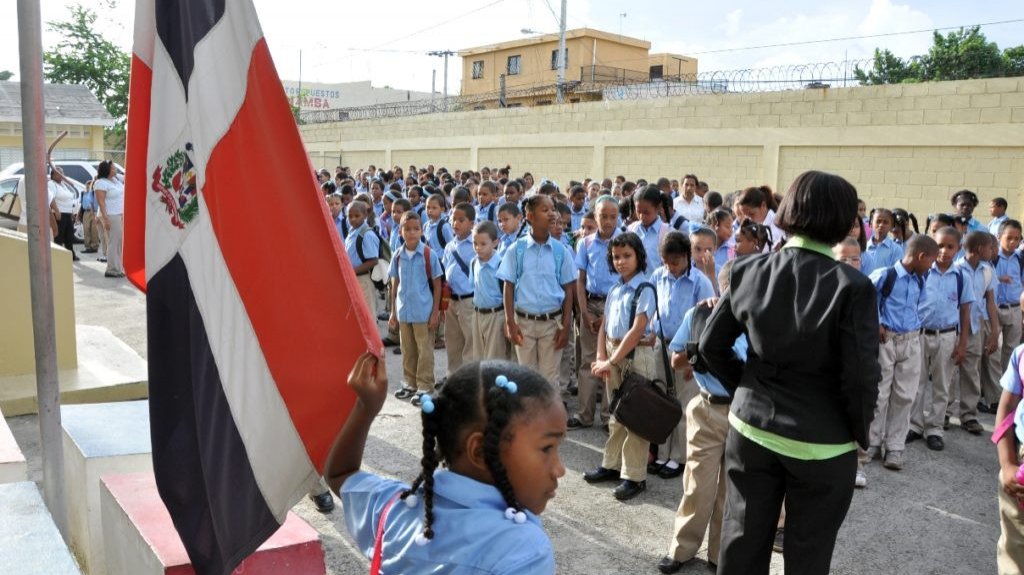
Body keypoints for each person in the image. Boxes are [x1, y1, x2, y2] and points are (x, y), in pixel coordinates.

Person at [700, 170, 881, 575]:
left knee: (742, 544)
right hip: (822, 444)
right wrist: (859, 432)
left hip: (751, 431)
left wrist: (747, 388)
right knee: (808, 556)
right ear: (842, 221)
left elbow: (711, 346)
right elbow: (861, 377)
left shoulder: (748, 270)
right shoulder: (853, 287)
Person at [326, 355, 565, 574]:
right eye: (547, 448)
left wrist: (365, 408)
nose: (560, 469)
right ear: (480, 451)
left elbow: (340, 474)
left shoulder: (395, 509)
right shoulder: (525, 552)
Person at [658, 261, 745, 574]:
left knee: (731, 491)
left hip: (743, 414)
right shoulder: (699, 315)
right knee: (698, 485)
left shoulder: (761, 321)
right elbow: (676, 358)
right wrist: (698, 354)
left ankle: (719, 555)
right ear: (721, 290)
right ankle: (681, 549)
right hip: (708, 409)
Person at [583, 232, 658, 501]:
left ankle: (634, 476)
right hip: (613, 353)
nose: (621, 261)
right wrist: (602, 356)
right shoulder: (615, 289)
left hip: (635, 356)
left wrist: (611, 361)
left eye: (627, 256)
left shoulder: (645, 288)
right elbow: (604, 325)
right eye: (616, 257)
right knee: (616, 414)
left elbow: (638, 329)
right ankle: (612, 465)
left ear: (639, 256)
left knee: (636, 418)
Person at [866, 234, 938, 471]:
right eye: (931, 260)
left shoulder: (920, 279)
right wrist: (877, 322)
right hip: (886, 342)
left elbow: (922, 305)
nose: (932, 265)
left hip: (910, 341)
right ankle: (872, 443)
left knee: (905, 395)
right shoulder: (885, 275)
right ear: (920, 256)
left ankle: (895, 447)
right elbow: (865, 300)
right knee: (879, 394)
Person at [649, 231, 715, 479]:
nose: (671, 266)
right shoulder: (658, 275)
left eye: (675, 261)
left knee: (685, 403)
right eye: (667, 261)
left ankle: (679, 456)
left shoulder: (700, 282)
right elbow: (653, 308)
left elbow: (705, 323)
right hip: (661, 345)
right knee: (663, 401)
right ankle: (663, 452)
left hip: (687, 349)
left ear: (687, 256)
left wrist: (693, 359)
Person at [498, 195, 577, 388]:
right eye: (545, 210)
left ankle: (548, 419)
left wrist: (566, 326)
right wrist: (510, 322)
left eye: (552, 209)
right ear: (530, 215)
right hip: (523, 323)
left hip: (552, 324)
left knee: (550, 380)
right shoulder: (517, 250)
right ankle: (530, 418)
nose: (551, 214)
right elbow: (508, 286)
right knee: (526, 378)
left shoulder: (561, 251)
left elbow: (568, 289)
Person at [907, 227, 973, 452]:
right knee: (917, 382)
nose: (944, 251)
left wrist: (962, 343)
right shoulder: (923, 272)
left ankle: (934, 429)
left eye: (950, 247)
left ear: (959, 248)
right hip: (921, 334)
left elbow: (965, 311)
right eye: (940, 246)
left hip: (946, 336)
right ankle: (914, 425)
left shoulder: (961, 276)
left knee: (942, 386)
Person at [568, 197, 620, 431]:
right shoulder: (586, 243)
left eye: (612, 216)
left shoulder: (624, 241)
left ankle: (610, 416)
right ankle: (584, 414)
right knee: (588, 361)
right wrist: (584, 312)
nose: (607, 221)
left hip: (616, 307)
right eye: (603, 216)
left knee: (612, 361)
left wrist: (609, 315)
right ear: (594, 217)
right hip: (591, 304)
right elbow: (580, 281)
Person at [389, 212, 443, 404]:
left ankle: (425, 386)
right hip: (404, 311)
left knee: (424, 350)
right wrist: (393, 312)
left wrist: (435, 312)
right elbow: (395, 284)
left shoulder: (429, 254)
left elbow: (437, 284)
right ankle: (410, 383)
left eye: (416, 229)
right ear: (400, 231)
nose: (411, 233)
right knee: (408, 349)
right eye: (407, 229)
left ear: (421, 230)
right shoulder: (397, 255)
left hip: (423, 311)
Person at [950, 231, 1000, 434]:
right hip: (955, 327)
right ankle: (945, 412)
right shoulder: (955, 269)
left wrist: (994, 331)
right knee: (949, 372)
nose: (993, 251)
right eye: (990, 247)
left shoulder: (987, 270)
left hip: (976, 327)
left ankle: (968, 415)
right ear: (980, 249)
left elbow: (990, 301)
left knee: (972, 372)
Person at [981, 220, 1024, 414]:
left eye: (1017, 238)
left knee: (1011, 352)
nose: (1013, 242)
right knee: (993, 353)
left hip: (1015, 310)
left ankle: (1009, 392)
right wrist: (1000, 279)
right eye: (1009, 238)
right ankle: (993, 398)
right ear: (999, 237)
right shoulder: (991, 259)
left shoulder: (1020, 259)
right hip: (994, 310)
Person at [994, 343, 1024, 573]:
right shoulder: (1021, 355)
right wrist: (1007, 465)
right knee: (1015, 551)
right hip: (1020, 461)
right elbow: (1005, 411)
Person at [443, 203, 478, 373]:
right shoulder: (450, 246)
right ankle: (454, 378)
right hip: (451, 300)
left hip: (468, 300)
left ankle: (470, 381)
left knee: (471, 343)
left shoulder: (476, 245)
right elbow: (445, 267)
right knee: (453, 342)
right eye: (453, 219)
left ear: (471, 223)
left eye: (461, 220)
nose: (455, 223)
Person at [471, 221, 508, 361]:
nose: (478, 248)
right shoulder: (474, 262)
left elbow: (507, 294)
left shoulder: (501, 265)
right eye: (475, 243)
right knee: (478, 357)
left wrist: (507, 321)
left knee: (494, 358)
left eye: (483, 244)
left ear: (495, 243)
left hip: (496, 315)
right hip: (477, 314)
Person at [344, 201, 381, 319]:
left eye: (357, 216)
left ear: (365, 215)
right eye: (350, 216)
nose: (353, 219)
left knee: (367, 315)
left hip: (363, 278)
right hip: (354, 278)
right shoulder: (352, 232)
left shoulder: (367, 235)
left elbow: (373, 260)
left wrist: (352, 271)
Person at [93, 160, 125, 277]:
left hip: (120, 215)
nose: (115, 169)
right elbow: (101, 203)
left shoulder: (116, 180)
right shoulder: (101, 183)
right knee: (113, 242)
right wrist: (106, 219)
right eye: (113, 167)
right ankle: (111, 269)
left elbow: (128, 177)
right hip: (111, 215)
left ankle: (118, 268)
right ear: (107, 169)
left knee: (120, 242)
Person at [628, 185, 668, 273]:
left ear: (658, 207)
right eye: (638, 211)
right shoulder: (631, 229)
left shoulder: (667, 232)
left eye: (646, 212)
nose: (642, 216)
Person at [734, 186, 783, 250]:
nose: (749, 218)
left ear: (763, 205)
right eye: (745, 215)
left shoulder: (778, 226)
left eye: (752, 214)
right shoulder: (746, 224)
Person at [49, 167, 79, 261]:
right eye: (59, 173)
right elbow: (51, 199)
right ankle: (58, 256)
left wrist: (72, 212)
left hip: (67, 212)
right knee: (59, 236)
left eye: (62, 173)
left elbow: (69, 198)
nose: (61, 175)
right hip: (59, 213)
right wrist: (57, 210)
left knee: (69, 236)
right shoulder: (51, 184)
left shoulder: (63, 184)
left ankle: (70, 255)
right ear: (53, 175)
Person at [864, 208, 904, 275]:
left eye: (885, 222)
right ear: (871, 224)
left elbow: (896, 274)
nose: (881, 225)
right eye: (878, 221)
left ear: (891, 226)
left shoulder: (896, 249)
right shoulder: (863, 247)